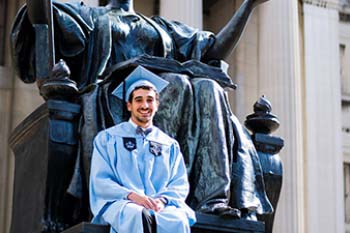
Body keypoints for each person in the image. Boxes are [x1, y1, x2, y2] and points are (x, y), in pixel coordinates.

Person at [11, 0, 272, 221]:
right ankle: (154, 190)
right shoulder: (88, 15)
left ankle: (211, 199)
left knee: (209, 87)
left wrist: (248, 4)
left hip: (164, 96)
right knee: (178, 83)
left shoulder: (161, 27)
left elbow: (214, 49)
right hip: (116, 98)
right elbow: (41, 16)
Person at [89, 66, 196, 233]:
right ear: (129, 105)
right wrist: (132, 196)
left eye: (150, 100)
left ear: (157, 104)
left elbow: (179, 183)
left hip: (159, 205)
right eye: (138, 100)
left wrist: (163, 201)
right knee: (138, 215)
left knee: (177, 220)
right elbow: (101, 181)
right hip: (123, 202)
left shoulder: (169, 144)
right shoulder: (107, 139)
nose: (145, 105)